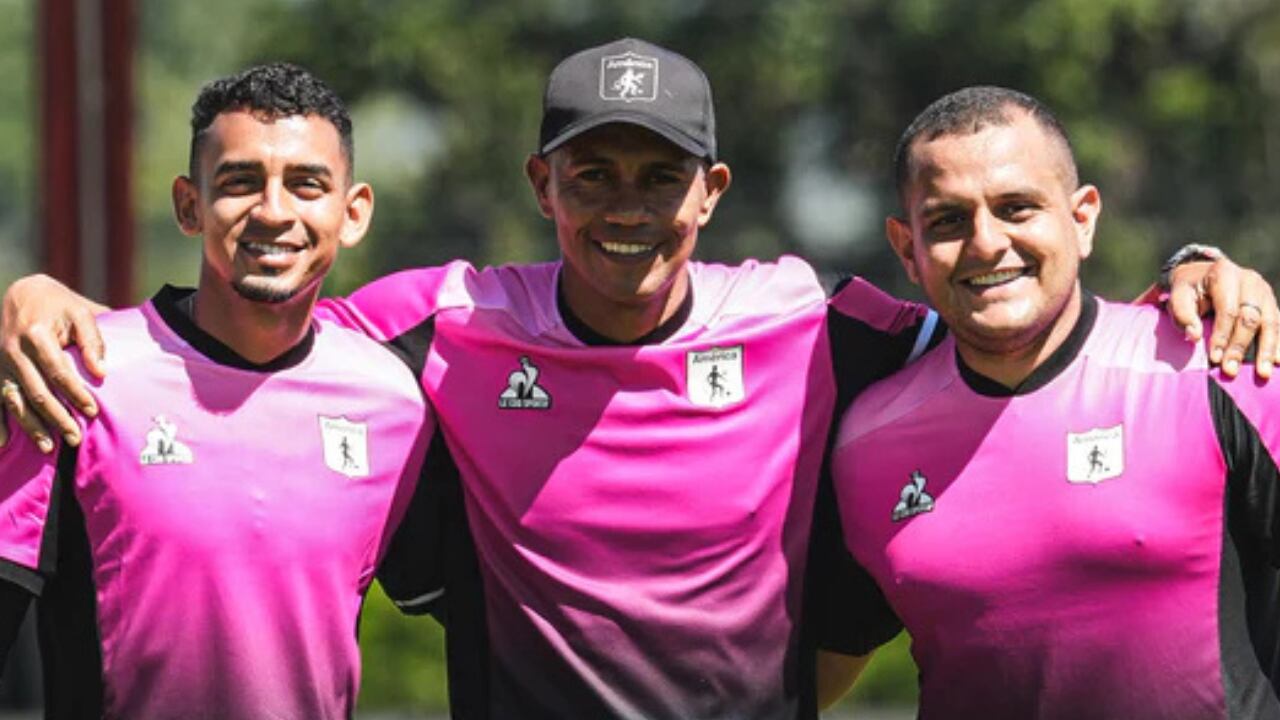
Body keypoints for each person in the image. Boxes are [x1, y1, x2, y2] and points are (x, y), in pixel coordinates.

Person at [0, 40, 1274, 718]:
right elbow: (260, 320)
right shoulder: (436, 329)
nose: (624, 206)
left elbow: (1009, 322)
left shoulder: (814, 323)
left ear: (709, 191)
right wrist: (48, 299)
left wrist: (1194, 274)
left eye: (657, 174)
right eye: (590, 174)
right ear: (539, 186)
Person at [828, 86, 1280, 718]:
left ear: (1083, 218)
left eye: (1016, 208)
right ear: (907, 248)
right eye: (949, 220)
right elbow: (819, 666)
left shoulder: (1222, 370)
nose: (986, 244)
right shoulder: (863, 443)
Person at [0, 63, 434, 718]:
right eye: (239, 182)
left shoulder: (395, 402)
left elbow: (496, 614)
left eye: (307, 184)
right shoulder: (75, 377)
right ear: (188, 204)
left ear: (354, 212)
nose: (273, 211)